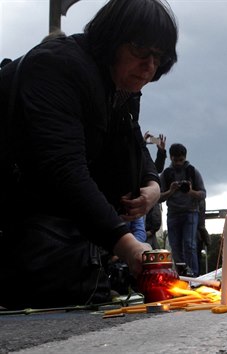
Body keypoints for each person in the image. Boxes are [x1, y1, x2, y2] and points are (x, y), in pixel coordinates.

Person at [0, 0, 178, 309]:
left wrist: (151, 185)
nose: (150, 66)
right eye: (141, 50)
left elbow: (133, 140)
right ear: (112, 39)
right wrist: (128, 245)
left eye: (158, 57)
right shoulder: (58, 67)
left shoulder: (118, 87)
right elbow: (63, 170)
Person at [160, 143, 206, 277]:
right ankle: (181, 276)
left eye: (181, 160)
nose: (179, 163)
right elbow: (159, 197)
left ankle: (194, 276)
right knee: (175, 247)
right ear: (171, 158)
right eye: (176, 160)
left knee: (190, 245)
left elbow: (203, 194)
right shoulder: (166, 174)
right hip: (173, 213)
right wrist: (170, 191)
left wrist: (190, 191)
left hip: (190, 212)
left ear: (185, 157)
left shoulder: (192, 171)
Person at [144, 131, 167, 249]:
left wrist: (161, 152)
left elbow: (156, 168)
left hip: (151, 222)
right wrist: (142, 144)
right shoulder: (135, 161)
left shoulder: (148, 169)